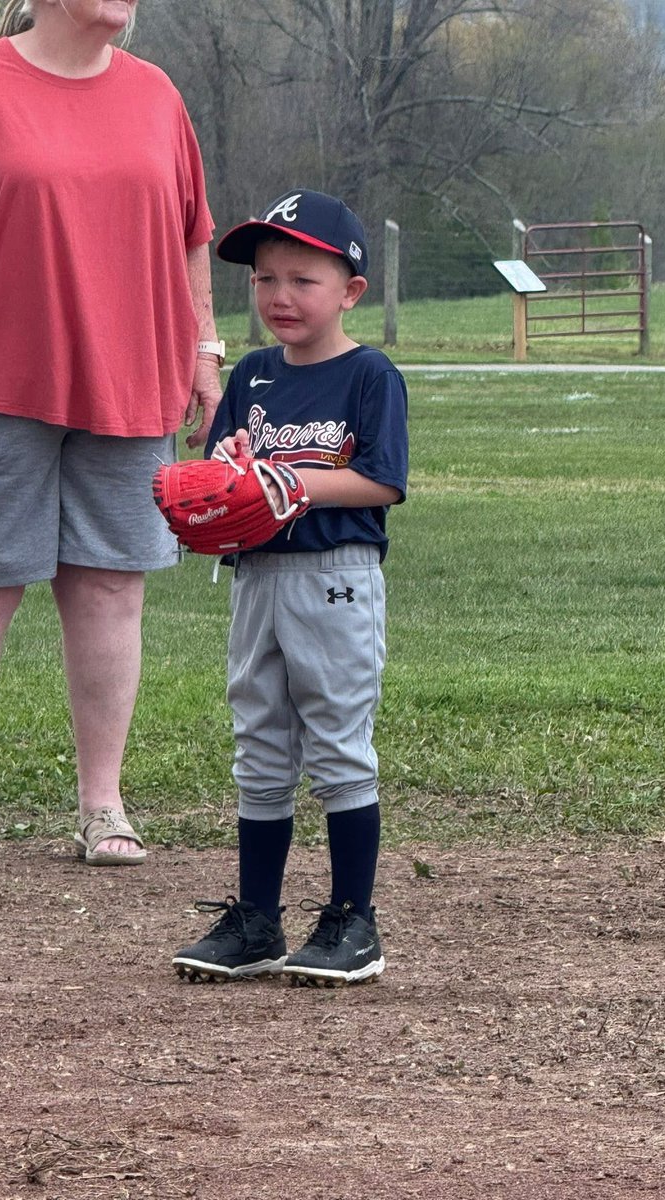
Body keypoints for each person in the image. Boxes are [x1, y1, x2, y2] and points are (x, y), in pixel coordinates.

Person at [0, 0, 223, 868]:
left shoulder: (157, 95)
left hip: (133, 379)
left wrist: (204, 350)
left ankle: (103, 806)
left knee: (112, 590)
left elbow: (192, 238)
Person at [172, 190, 409, 987]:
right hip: (257, 576)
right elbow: (220, 477)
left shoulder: (369, 374)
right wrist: (230, 470)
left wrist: (291, 483)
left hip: (335, 578)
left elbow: (379, 481)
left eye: (303, 279)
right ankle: (258, 921)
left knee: (339, 744)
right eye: (266, 278)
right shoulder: (254, 375)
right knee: (261, 747)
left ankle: (353, 921)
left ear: (350, 290)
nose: (280, 295)